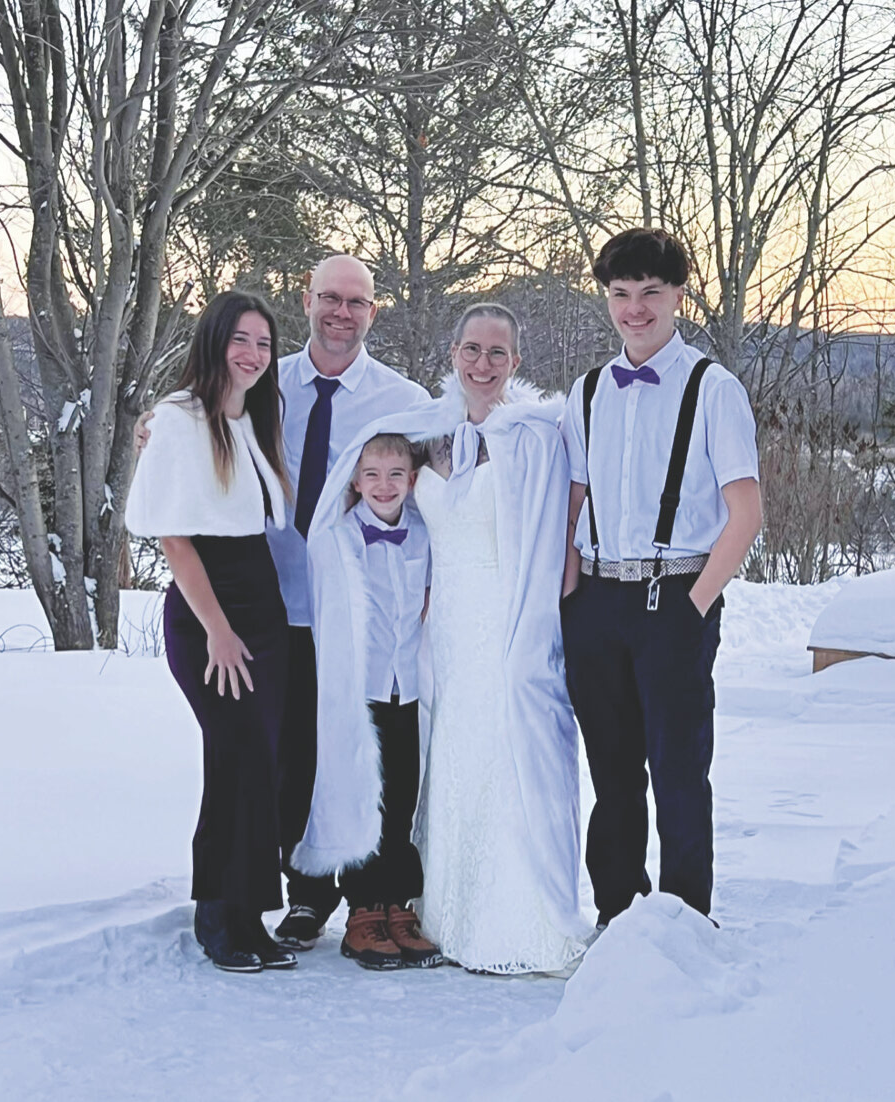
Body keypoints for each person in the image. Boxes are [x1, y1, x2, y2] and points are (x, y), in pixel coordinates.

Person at [137, 257, 428, 951]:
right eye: (329, 297)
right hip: (267, 602)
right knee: (277, 760)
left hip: (351, 611)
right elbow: (192, 444)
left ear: (373, 312)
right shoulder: (269, 385)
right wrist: (160, 423)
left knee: (352, 753)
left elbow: (439, 478)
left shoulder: (402, 399)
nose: (341, 312)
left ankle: (364, 898)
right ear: (308, 300)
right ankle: (301, 898)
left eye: (356, 302)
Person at [299, 303, 592, 975]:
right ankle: (436, 911)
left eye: (497, 353)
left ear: (516, 362)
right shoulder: (426, 432)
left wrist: (544, 618)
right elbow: (370, 491)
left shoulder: (534, 436)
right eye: (472, 350)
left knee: (504, 753)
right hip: (440, 629)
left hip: (506, 617)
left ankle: (515, 923)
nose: (483, 365)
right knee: (444, 759)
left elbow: (556, 528)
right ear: (453, 353)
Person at [559, 228, 763, 928]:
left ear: (679, 294)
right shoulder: (587, 391)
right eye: (621, 293)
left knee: (678, 772)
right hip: (596, 601)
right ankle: (617, 915)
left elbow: (745, 514)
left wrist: (694, 606)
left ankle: (684, 923)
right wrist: (570, 598)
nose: (635, 309)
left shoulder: (713, 389)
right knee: (612, 776)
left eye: (651, 292)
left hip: (674, 596)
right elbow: (573, 503)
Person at [125, 290, 298, 973]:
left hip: (264, 607)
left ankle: (250, 914)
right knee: (234, 758)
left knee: (260, 764)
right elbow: (176, 539)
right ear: (215, 341)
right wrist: (219, 633)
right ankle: (216, 917)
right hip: (209, 613)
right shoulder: (179, 419)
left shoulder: (253, 419)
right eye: (241, 340)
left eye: (264, 343)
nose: (253, 355)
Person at [301, 434, 445, 970]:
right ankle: (362, 910)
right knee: (364, 795)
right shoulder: (338, 538)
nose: (384, 486)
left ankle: (397, 903)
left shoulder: (424, 534)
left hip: (407, 686)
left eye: (395, 475)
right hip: (359, 693)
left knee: (403, 795)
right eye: (372, 475)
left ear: (412, 480)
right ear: (356, 481)